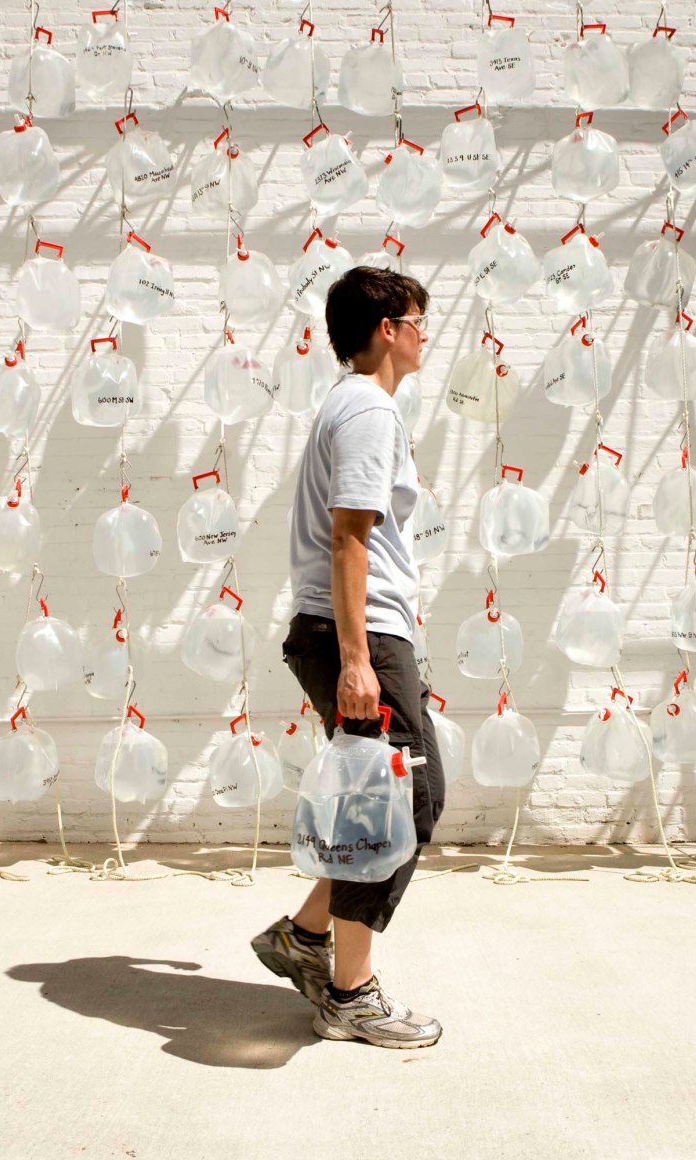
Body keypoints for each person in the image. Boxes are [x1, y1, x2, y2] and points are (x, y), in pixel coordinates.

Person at [250, 266, 445, 1050]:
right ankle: (348, 994)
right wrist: (363, 660)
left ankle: (304, 938)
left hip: (349, 631)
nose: (427, 332)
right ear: (389, 328)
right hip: (349, 634)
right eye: (419, 319)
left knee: (381, 802)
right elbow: (349, 536)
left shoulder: (354, 405)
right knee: (404, 804)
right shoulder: (368, 407)